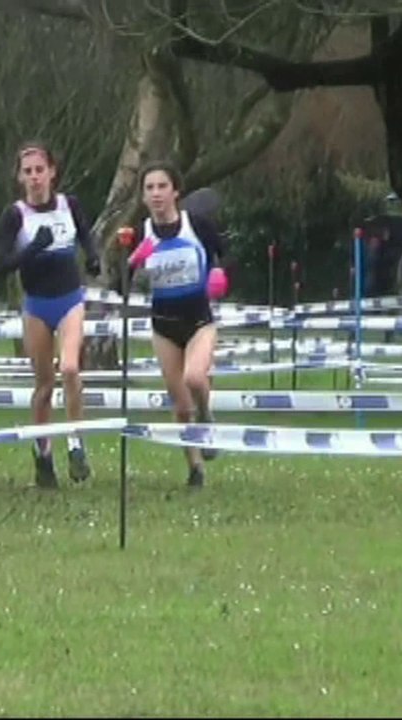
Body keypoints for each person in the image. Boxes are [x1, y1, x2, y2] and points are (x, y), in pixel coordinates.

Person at [0, 141, 101, 489]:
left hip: (70, 298)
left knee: (70, 368)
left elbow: (85, 233)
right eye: (28, 172)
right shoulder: (14, 215)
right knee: (44, 385)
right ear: (20, 177)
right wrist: (31, 249)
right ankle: (42, 454)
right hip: (37, 304)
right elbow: (0, 265)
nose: (35, 177)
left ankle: (76, 444)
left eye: (40, 170)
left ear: (52, 172)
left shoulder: (69, 204)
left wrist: (93, 256)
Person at [126, 161, 227, 490]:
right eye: (149, 188)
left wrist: (219, 275)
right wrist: (131, 262)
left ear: (175, 191)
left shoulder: (195, 224)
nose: (156, 194)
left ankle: (207, 416)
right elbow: (120, 283)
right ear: (143, 196)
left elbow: (226, 255)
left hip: (199, 320)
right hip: (164, 325)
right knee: (180, 406)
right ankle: (195, 468)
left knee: (195, 378)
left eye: (161, 187)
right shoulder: (141, 232)